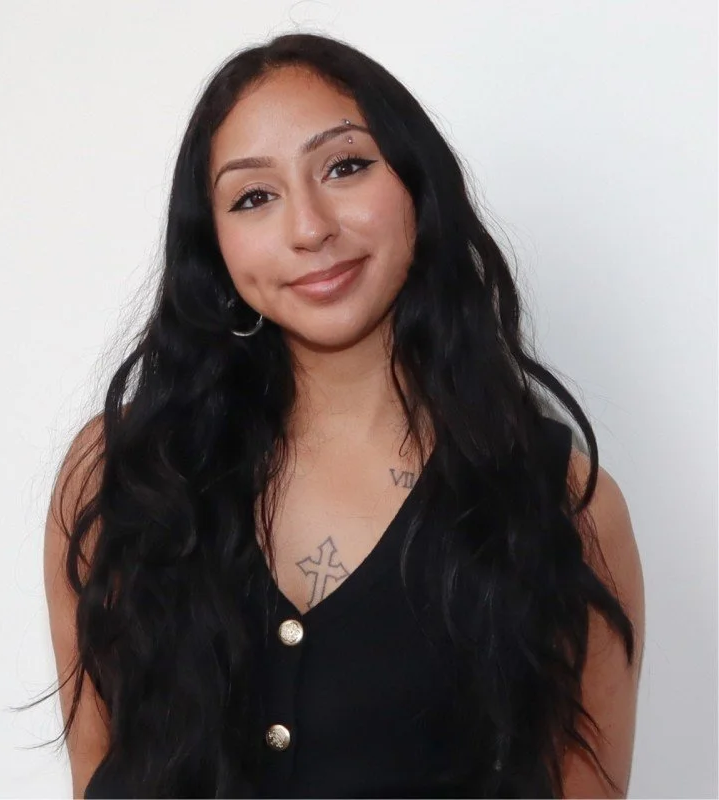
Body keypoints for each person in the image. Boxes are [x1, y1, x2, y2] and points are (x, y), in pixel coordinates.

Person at [41, 32, 645, 798]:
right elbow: (95, 771)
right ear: (215, 245)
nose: (310, 227)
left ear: (418, 189)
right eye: (254, 196)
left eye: (346, 166)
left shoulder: (567, 507)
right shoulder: (118, 478)